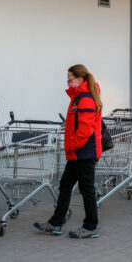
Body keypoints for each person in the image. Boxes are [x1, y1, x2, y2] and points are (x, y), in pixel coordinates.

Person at [34, 64, 102, 238]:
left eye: (70, 79)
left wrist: (71, 146)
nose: (68, 82)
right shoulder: (77, 97)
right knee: (65, 186)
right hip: (77, 152)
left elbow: (85, 129)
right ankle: (56, 222)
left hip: (83, 152)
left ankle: (91, 226)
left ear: (80, 79)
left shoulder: (85, 98)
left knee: (87, 189)